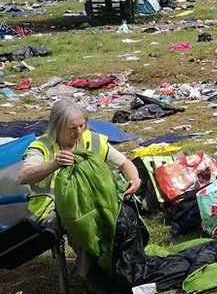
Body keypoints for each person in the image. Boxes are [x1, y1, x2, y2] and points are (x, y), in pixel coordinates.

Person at [18, 98, 141, 278]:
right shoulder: (41, 147)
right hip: (50, 208)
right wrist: (53, 164)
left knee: (120, 215)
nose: (78, 132)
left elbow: (124, 163)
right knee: (83, 222)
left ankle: (122, 265)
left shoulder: (92, 140)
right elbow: (24, 176)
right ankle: (94, 276)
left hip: (90, 201)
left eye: (81, 126)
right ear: (57, 127)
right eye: (72, 128)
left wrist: (135, 180)